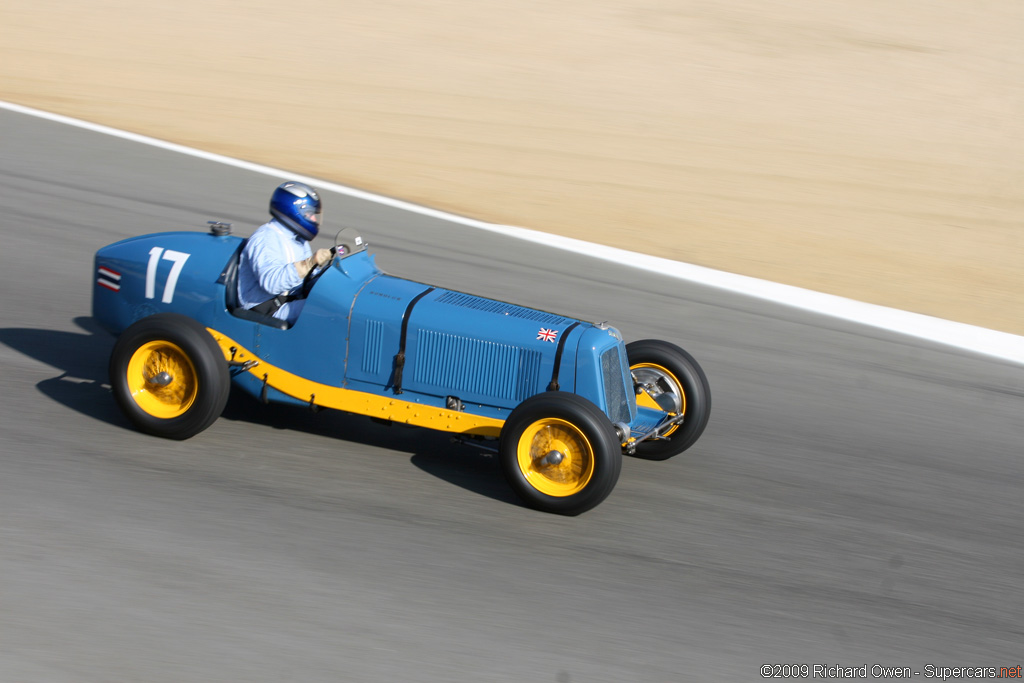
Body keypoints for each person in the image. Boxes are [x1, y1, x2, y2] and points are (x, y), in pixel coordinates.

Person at [237, 181, 333, 325]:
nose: (314, 219)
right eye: (309, 214)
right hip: (267, 308)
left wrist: (329, 274)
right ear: (294, 210)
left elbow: (306, 280)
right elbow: (271, 283)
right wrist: (309, 263)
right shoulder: (265, 238)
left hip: (289, 300)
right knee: (329, 314)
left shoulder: (299, 240)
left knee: (337, 305)